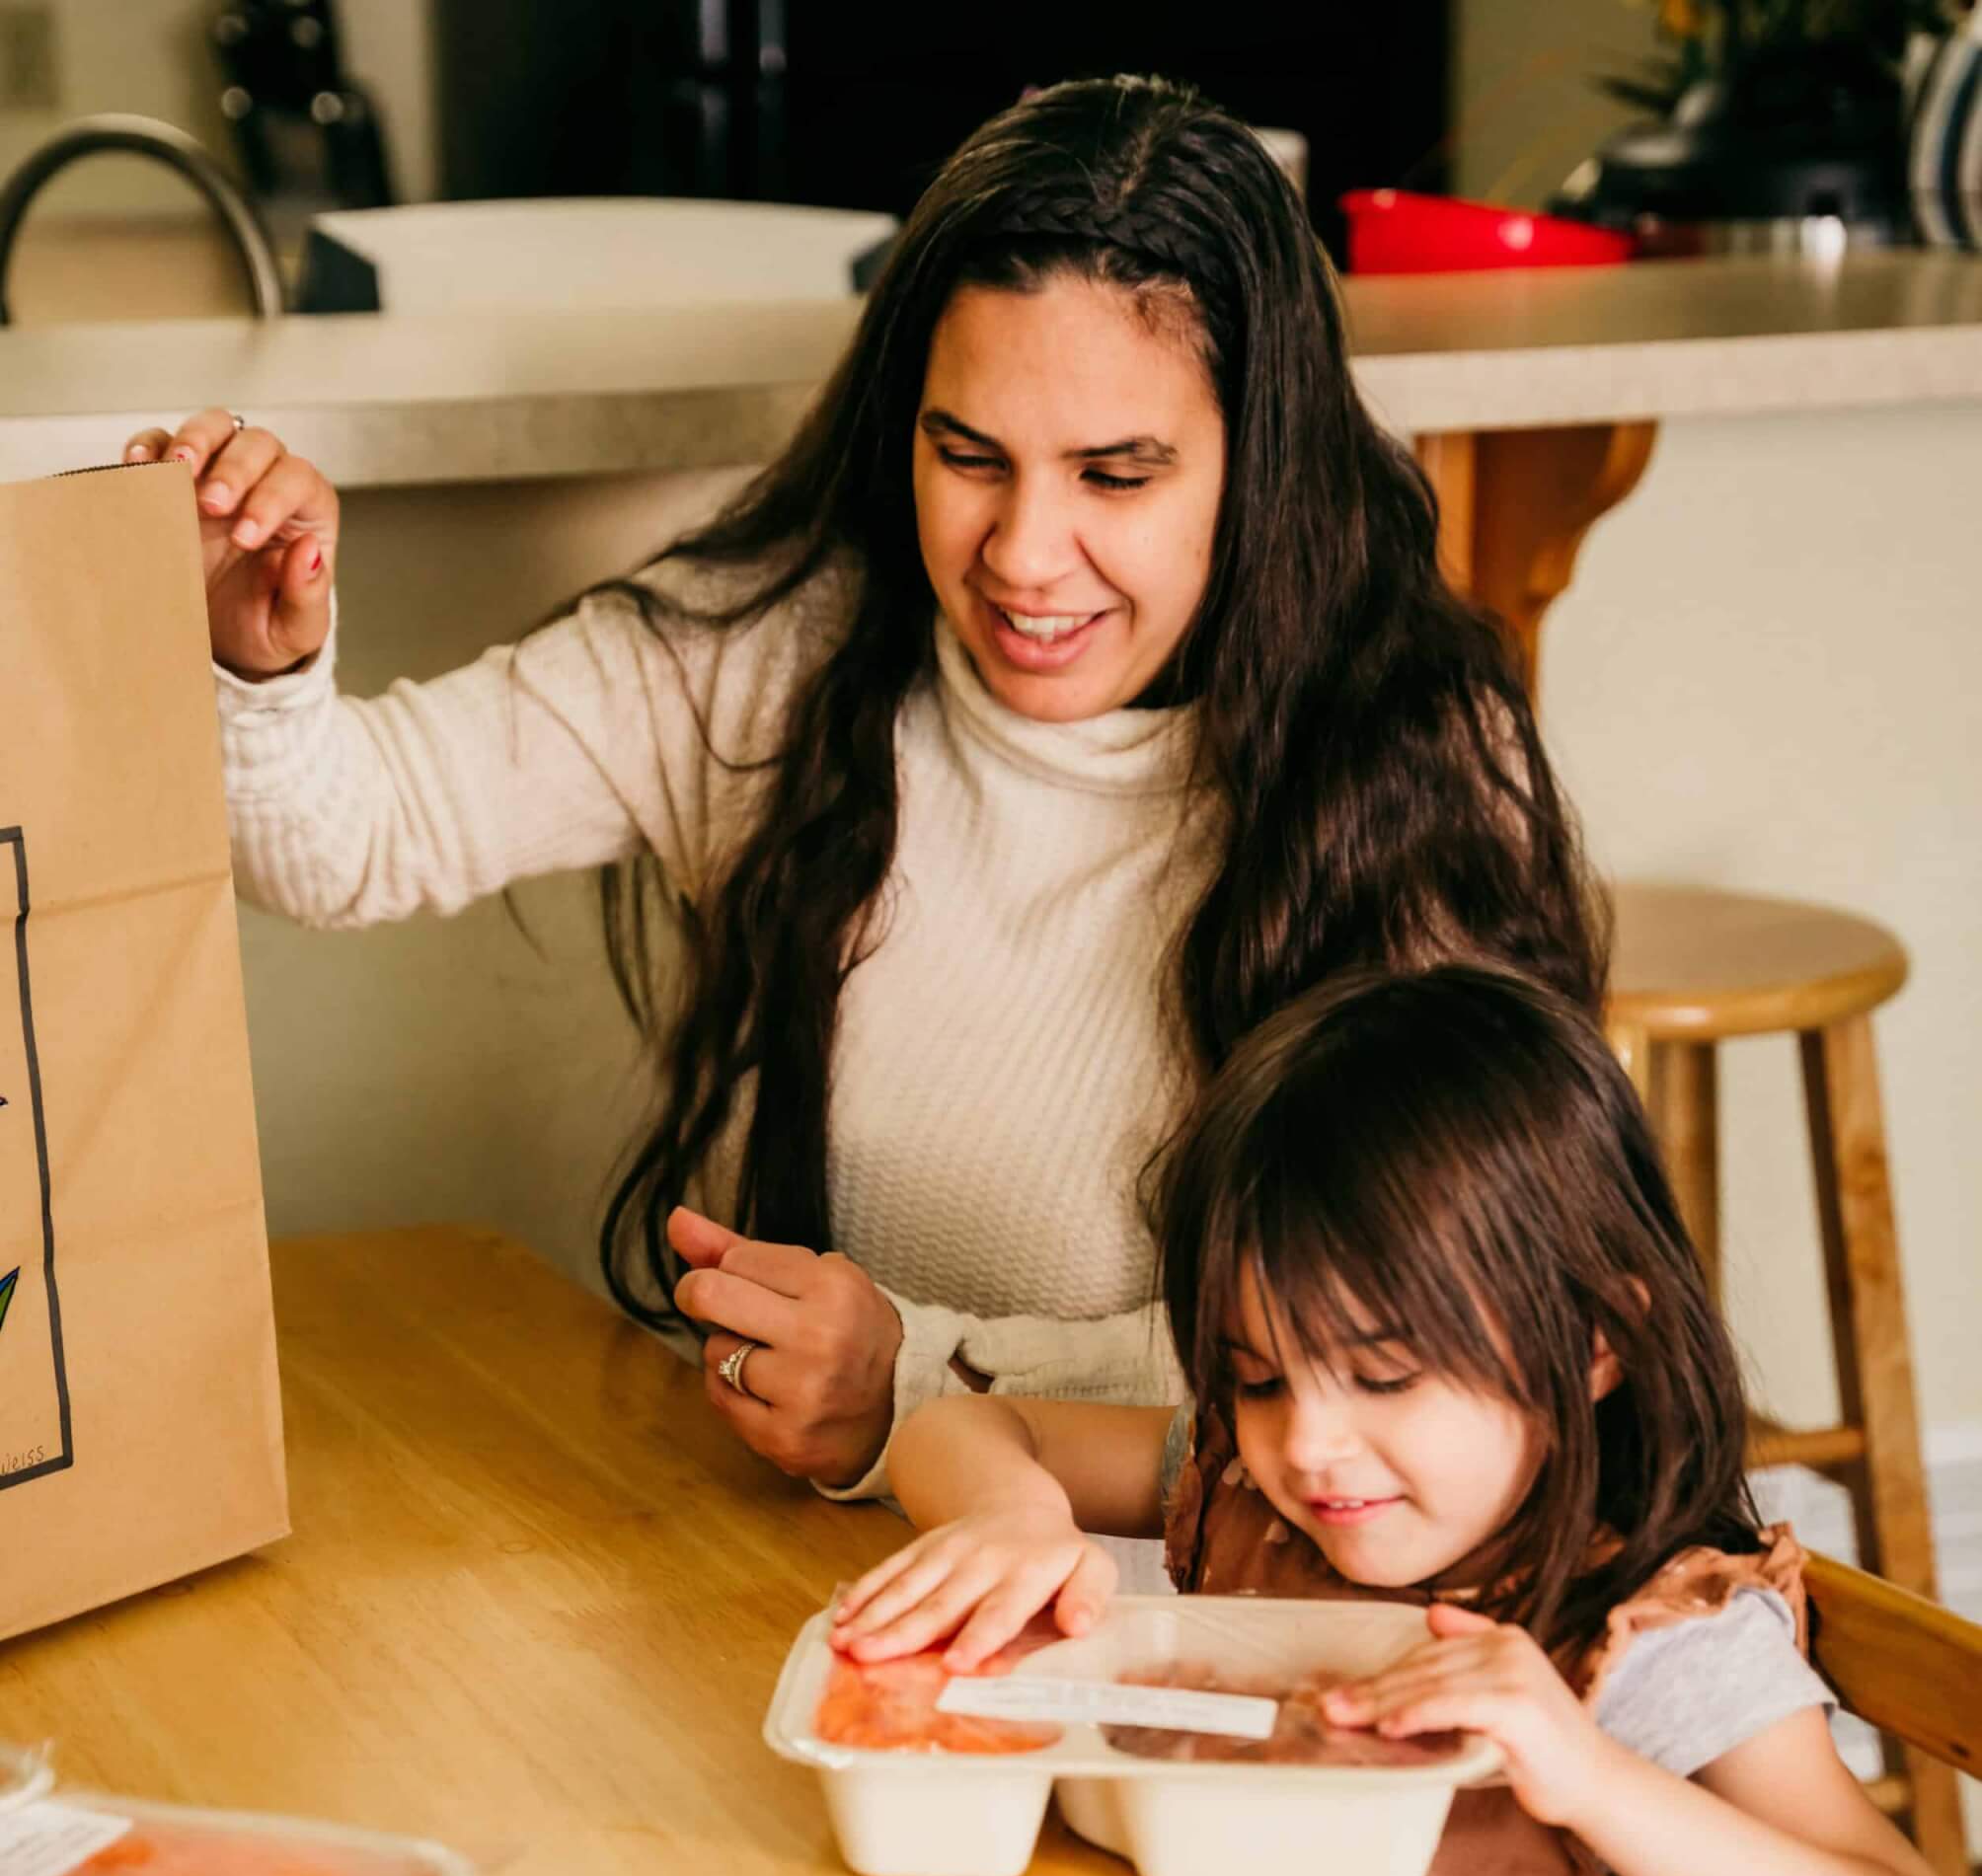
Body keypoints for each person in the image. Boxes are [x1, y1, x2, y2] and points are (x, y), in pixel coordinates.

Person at [124, 76, 1603, 1501]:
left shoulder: (1411, 768)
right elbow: (347, 842)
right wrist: (260, 654)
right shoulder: (781, 660)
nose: (1023, 554)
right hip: (791, 1575)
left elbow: (1434, 1350)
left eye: (1115, 476)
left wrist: (922, 1386)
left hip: (1218, 1596)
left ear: (1258, 465)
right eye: (969, 455)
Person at [829, 967, 1963, 1876]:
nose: (1309, 1442)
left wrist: (1591, 1773)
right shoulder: (1243, 1487)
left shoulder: (1654, 1631)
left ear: (1594, 1339)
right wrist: (1012, 1511)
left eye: (1383, 1374)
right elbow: (966, 1423)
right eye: (1259, 1375)